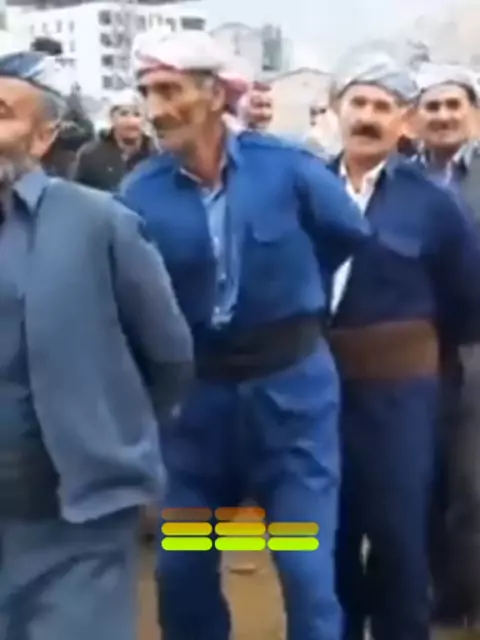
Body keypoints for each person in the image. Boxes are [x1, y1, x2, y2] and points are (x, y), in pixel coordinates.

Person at [120, 28, 370, 640]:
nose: (155, 109)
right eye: (146, 92)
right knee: (181, 567)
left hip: (292, 411)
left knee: (303, 565)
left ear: (213, 94)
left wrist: (290, 297)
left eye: (169, 90)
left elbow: (346, 234)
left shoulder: (286, 167)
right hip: (196, 419)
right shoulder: (139, 193)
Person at [0, 33, 193, 640]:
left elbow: (168, 355)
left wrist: (111, 433)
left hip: (75, 520)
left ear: (43, 138)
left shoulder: (97, 223)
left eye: (1, 113)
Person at [327, 49, 480, 640]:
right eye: (359, 102)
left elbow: (466, 299)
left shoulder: (433, 203)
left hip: (403, 397)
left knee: (398, 534)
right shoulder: (304, 186)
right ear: (336, 109)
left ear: (403, 122)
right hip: (316, 390)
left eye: (383, 106)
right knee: (326, 532)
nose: (368, 116)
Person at [414, 64, 480, 628]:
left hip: (476, 342)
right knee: (428, 473)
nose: (442, 116)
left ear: (473, 114)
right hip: (416, 347)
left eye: (452, 105)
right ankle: (448, 590)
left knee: (471, 479)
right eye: (431, 106)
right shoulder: (400, 177)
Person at [30, 37, 95, 177]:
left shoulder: (67, 94)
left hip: (59, 166)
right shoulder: (20, 90)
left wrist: (60, 130)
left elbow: (87, 130)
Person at [73, 89, 153, 191]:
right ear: (112, 118)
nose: (131, 121)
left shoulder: (157, 153)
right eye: (124, 114)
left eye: (137, 114)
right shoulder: (91, 154)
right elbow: (77, 193)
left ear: (145, 119)